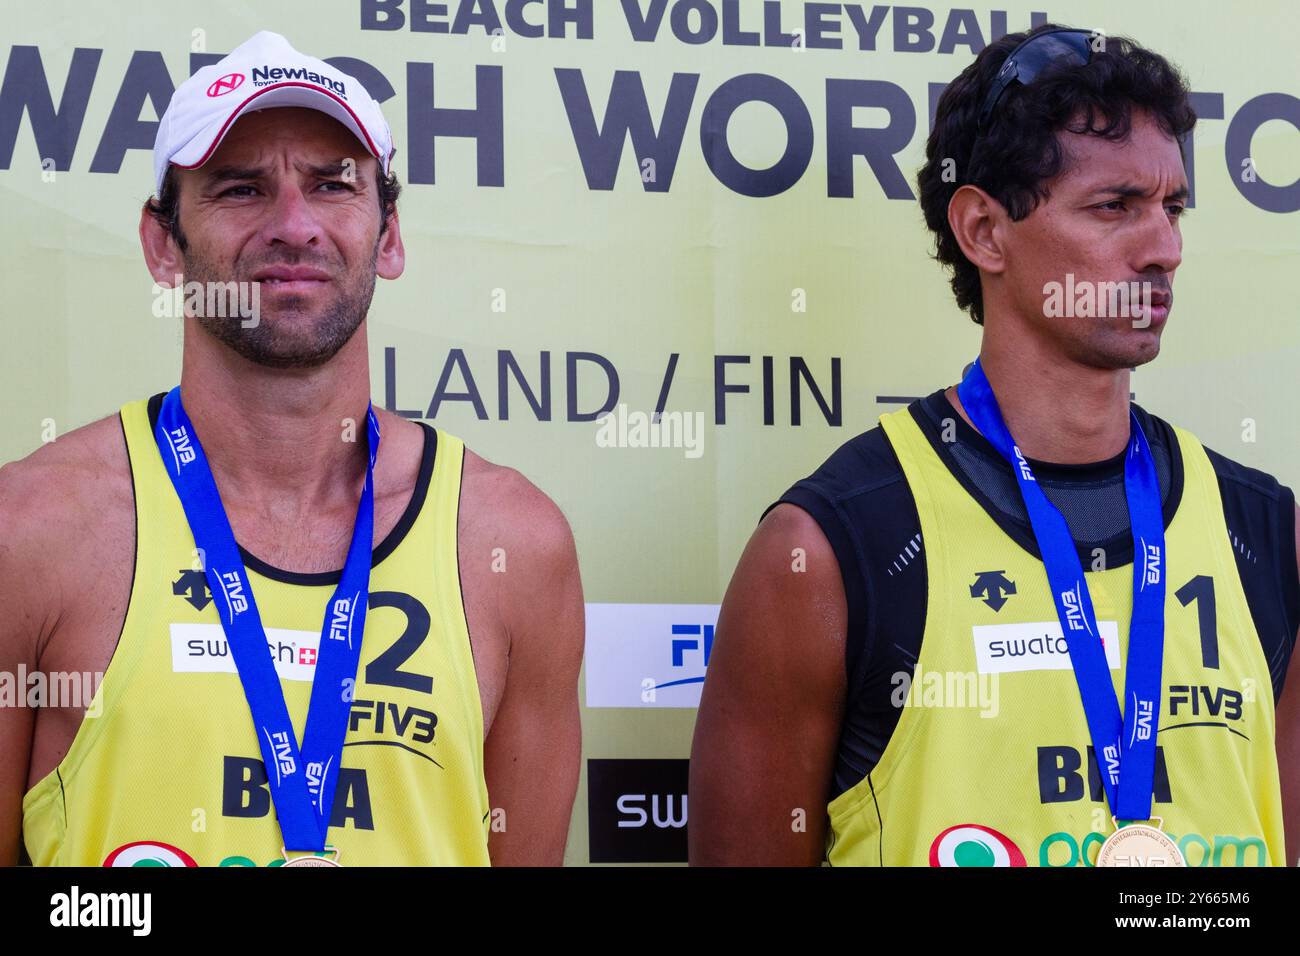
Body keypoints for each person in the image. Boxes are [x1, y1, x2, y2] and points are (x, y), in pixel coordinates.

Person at [690, 24, 1300, 867]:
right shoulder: (830, 549)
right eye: (1115, 206)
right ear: (982, 229)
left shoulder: (1268, 535)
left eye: (1173, 207)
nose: (1165, 249)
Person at [0, 31, 583, 867]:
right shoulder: (31, 531)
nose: (293, 225)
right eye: (240, 189)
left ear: (387, 237)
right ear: (165, 246)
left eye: (332, 185)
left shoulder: (512, 545)